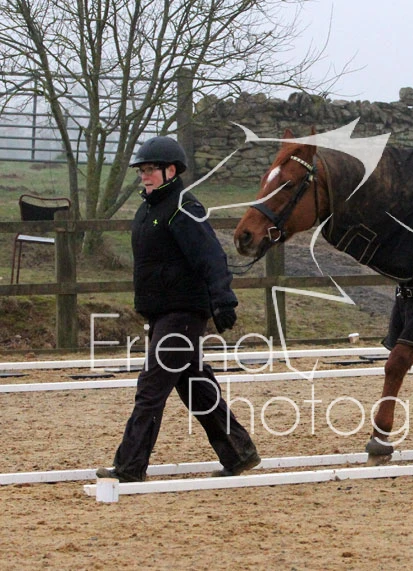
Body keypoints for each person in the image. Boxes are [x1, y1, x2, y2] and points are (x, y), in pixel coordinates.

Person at [96, 136, 260, 482]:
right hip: (162, 312)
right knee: (195, 386)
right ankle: (239, 452)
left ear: (171, 171)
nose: (144, 175)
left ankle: (129, 468)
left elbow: (210, 256)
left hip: (183, 313)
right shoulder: (148, 210)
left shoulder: (183, 207)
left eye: (150, 169)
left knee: (151, 387)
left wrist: (223, 299)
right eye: (142, 170)